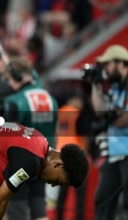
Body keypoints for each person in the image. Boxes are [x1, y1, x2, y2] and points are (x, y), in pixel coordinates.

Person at [0, 123, 90, 220]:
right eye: (58, 181)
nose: (52, 185)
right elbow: (0, 199)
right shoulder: (31, 161)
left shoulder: (40, 143)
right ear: (59, 165)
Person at [3, 56, 58, 220]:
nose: (9, 83)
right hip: (44, 160)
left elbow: (10, 137)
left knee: (17, 211)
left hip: (21, 163)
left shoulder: (14, 101)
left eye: (9, 78)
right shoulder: (50, 98)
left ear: (17, 76)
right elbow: (55, 131)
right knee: (39, 210)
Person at [91, 45, 128, 220]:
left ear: (121, 63)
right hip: (115, 153)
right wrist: (95, 84)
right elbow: (100, 111)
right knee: (102, 199)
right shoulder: (115, 87)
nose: (105, 68)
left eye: (108, 64)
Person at [56, 89, 91, 220]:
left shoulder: (59, 113)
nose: (81, 104)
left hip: (62, 155)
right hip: (77, 155)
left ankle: (59, 217)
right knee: (80, 193)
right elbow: (85, 135)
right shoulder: (79, 114)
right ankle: (79, 218)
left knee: (62, 192)